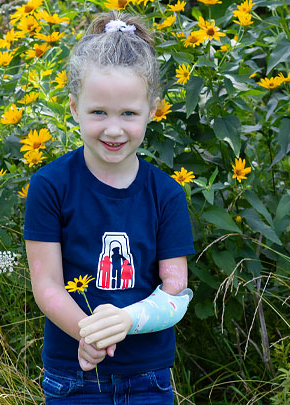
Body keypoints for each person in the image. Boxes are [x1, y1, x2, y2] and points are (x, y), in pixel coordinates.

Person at [24, 10, 195, 404]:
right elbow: (46, 285)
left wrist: (126, 320)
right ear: (73, 108)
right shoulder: (50, 186)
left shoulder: (166, 194)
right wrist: (87, 332)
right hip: (74, 375)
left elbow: (176, 289)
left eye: (129, 114)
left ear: (152, 110)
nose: (114, 129)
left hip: (148, 377)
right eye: (98, 112)